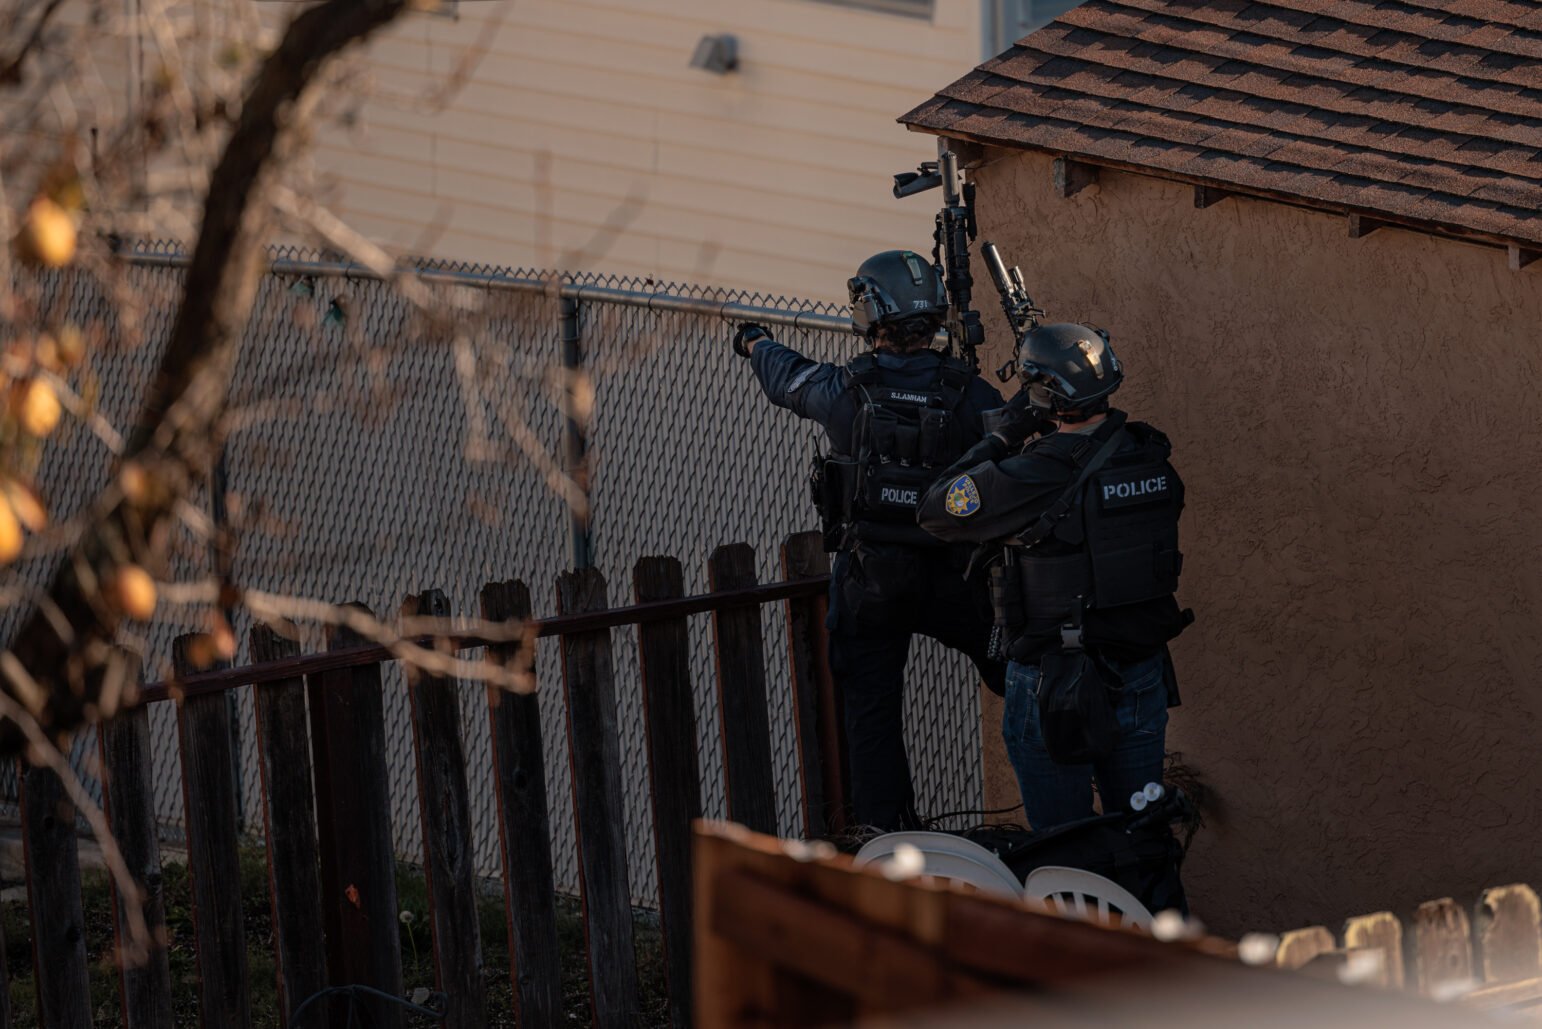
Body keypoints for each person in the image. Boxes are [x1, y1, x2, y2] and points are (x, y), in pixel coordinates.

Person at [733, 249, 1007, 832]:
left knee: (872, 713)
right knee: (1019, 670)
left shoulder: (842, 389)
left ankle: (888, 840)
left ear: (870, 314)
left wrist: (754, 341)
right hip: (956, 577)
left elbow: (785, 377)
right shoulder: (973, 393)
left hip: (870, 580)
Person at [917, 323, 1193, 831]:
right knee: (1143, 831)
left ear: (1041, 395)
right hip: (1141, 673)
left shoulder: (1038, 472)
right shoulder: (1150, 454)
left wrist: (1005, 434)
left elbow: (937, 508)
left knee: (1064, 844)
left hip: (1055, 684)